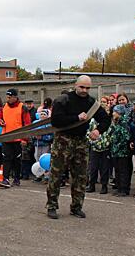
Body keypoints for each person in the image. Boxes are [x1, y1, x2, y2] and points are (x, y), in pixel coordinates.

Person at [46, 75, 110, 219]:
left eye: (87, 88)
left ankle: (76, 207)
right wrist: (76, 118)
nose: (84, 90)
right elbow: (56, 120)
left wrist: (98, 130)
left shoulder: (91, 103)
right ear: (75, 85)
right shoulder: (63, 100)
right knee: (56, 174)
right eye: (82, 87)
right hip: (63, 140)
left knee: (81, 176)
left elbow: (106, 119)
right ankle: (51, 206)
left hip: (81, 141)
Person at [0, 88, 31, 188]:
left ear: (15, 97)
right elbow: (0, 117)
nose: (7, 99)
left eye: (9, 97)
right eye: (7, 97)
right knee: (6, 158)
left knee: (17, 160)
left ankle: (16, 178)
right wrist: (0, 122)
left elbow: (27, 124)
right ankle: (5, 179)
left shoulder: (22, 107)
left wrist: (25, 139)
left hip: (18, 139)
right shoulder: (4, 106)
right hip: (6, 137)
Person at [109, 104, 132, 196]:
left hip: (123, 152)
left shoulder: (124, 123)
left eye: (115, 112)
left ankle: (124, 189)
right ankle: (119, 187)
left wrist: (117, 145)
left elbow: (125, 137)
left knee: (123, 171)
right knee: (117, 170)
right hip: (116, 151)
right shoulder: (116, 122)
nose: (113, 113)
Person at [85, 116, 111, 194]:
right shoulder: (92, 122)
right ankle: (91, 185)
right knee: (93, 167)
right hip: (94, 148)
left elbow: (111, 133)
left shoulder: (107, 121)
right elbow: (88, 133)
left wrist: (107, 143)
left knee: (104, 168)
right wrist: (92, 142)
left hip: (105, 148)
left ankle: (104, 186)